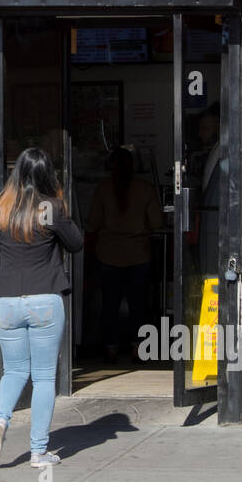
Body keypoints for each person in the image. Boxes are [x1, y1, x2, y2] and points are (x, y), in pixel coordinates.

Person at [0, 147, 84, 467]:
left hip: (8, 300)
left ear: (17, 173)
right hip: (45, 301)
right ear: (47, 176)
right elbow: (76, 243)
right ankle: (38, 452)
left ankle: (0, 421)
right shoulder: (51, 208)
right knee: (42, 378)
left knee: (13, 371)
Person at [87, 147, 164, 363]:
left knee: (110, 304)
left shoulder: (102, 189)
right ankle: (138, 347)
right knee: (138, 304)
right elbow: (157, 222)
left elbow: (92, 223)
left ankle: (110, 347)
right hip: (138, 253)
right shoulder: (145, 188)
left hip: (108, 253)